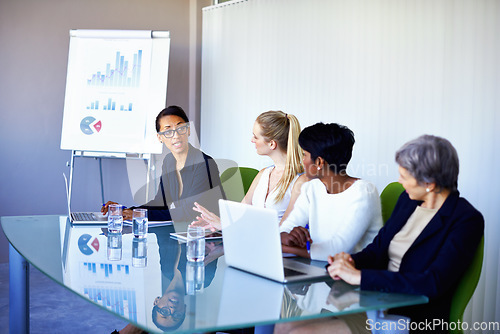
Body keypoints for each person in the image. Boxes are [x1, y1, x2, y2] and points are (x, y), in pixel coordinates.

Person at [277, 135, 485, 334]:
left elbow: (433, 282)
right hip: (371, 302)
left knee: (299, 331)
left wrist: (360, 277)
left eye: (405, 176)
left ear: (429, 183)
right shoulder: (408, 200)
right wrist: (348, 261)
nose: (399, 181)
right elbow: (377, 250)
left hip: (408, 316)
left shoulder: (465, 220)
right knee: (283, 327)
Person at [279, 122, 383, 261]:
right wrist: (286, 236)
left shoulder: (364, 192)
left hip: (353, 275)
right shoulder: (311, 188)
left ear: (319, 163)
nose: (302, 161)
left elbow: (339, 250)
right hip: (320, 268)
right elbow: (285, 227)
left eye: (304, 155)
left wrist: (285, 248)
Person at [102, 105, 224, 222]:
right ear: (160, 137)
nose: (176, 136)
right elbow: (161, 203)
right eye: (168, 131)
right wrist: (126, 210)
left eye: (181, 128)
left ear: (188, 131)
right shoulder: (169, 161)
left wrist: (137, 214)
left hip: (211, 235)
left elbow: (191, 211)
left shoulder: (205, 164)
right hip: (187, 230)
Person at [191, 110, 307, 230]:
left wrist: (226, 225)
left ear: (272, 144)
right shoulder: (263, 174)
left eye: (256, 137)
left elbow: (285, 230)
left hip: (278, 246)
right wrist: (215, 221)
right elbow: (240, 213)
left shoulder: (301, 180)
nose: (252, 140)